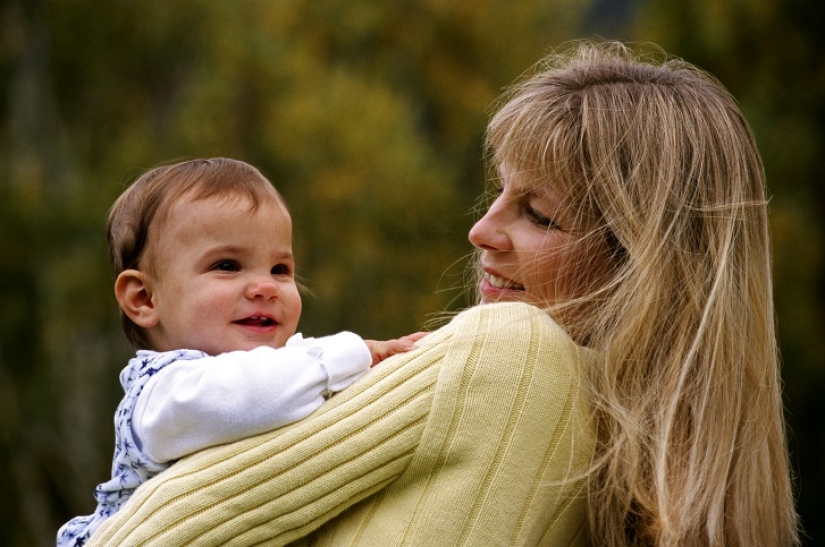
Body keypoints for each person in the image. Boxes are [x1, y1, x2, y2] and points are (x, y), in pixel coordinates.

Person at [85, 41, 799, 546]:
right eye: (498, 195)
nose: (480, 230)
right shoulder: (674, 490)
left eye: (538, 212)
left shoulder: (512, 358)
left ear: (641, 266)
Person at [57, 158, 424, 546]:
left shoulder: (292, 372)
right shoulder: (163, 392)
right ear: (145, 298)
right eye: (228, 265)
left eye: (280, 269)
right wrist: (353, 353)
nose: (265, 287)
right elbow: (248, 398)